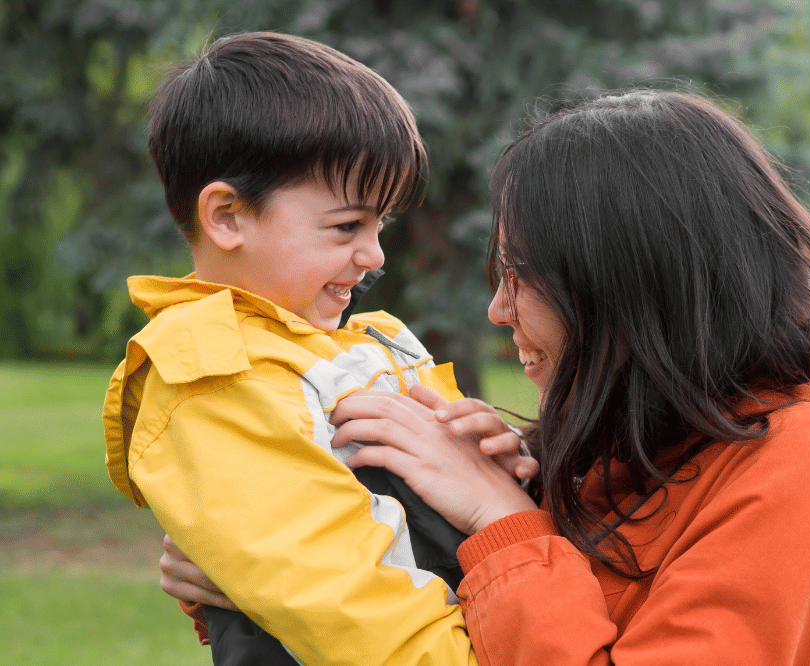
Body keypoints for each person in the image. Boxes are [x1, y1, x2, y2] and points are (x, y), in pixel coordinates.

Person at [161, 89, 810, 666]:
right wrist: (269, 572)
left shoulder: (805, 462)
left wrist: (501, 519)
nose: (499, 311)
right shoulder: (647, 431)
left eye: (521, 277)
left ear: (628, 283)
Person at [103, 31, 534, 666]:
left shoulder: (366, 341)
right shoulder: (212, 376)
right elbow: (342, 605)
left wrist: (506, 458)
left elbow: (450, 511)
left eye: (380, 225)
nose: (375, 255)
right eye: (346, 227)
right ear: (227, 217)